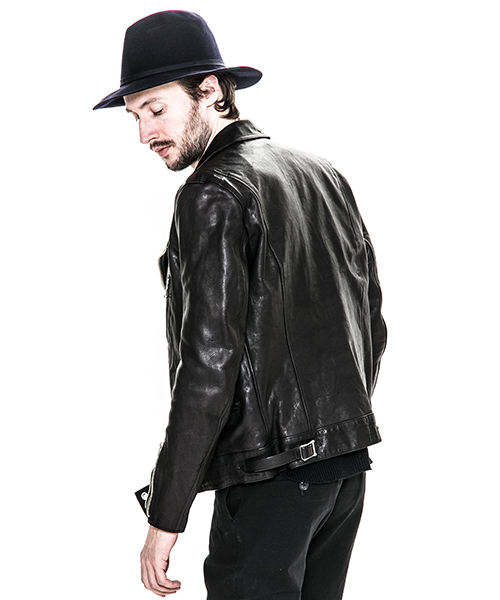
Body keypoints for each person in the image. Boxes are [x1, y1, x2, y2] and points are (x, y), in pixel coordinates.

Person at [94, 10, 387, 600]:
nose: (145, 134)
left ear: (209, 90)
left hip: (270, 480)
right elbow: (370, 324)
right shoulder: (319, 172)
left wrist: (166, 514)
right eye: (135, 116)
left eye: (156, 109)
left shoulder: (211, 193)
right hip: (343, 473)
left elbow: (208, 367)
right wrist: (336, 435)